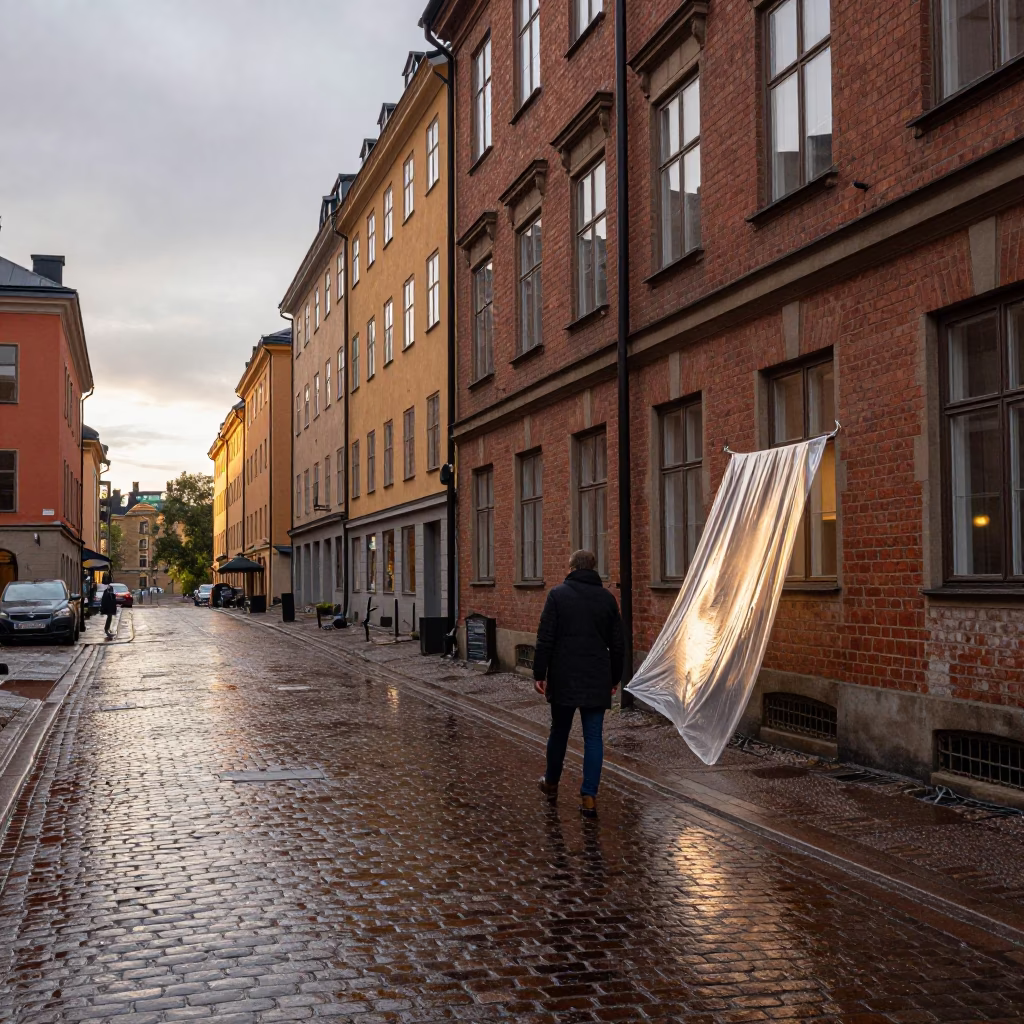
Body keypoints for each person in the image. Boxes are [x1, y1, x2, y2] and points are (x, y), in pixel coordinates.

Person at [533, 549, 624, 818]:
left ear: (571, 567)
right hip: (596, 677)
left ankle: (551, 783)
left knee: (559, 731)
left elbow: (545, 638)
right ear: (594, 568)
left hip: (563, 676)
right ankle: (589, 797)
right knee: (593, 737)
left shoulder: (557, 595)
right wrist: (614, 677)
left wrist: (540, 673)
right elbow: (618, 644)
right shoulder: (607, 599)